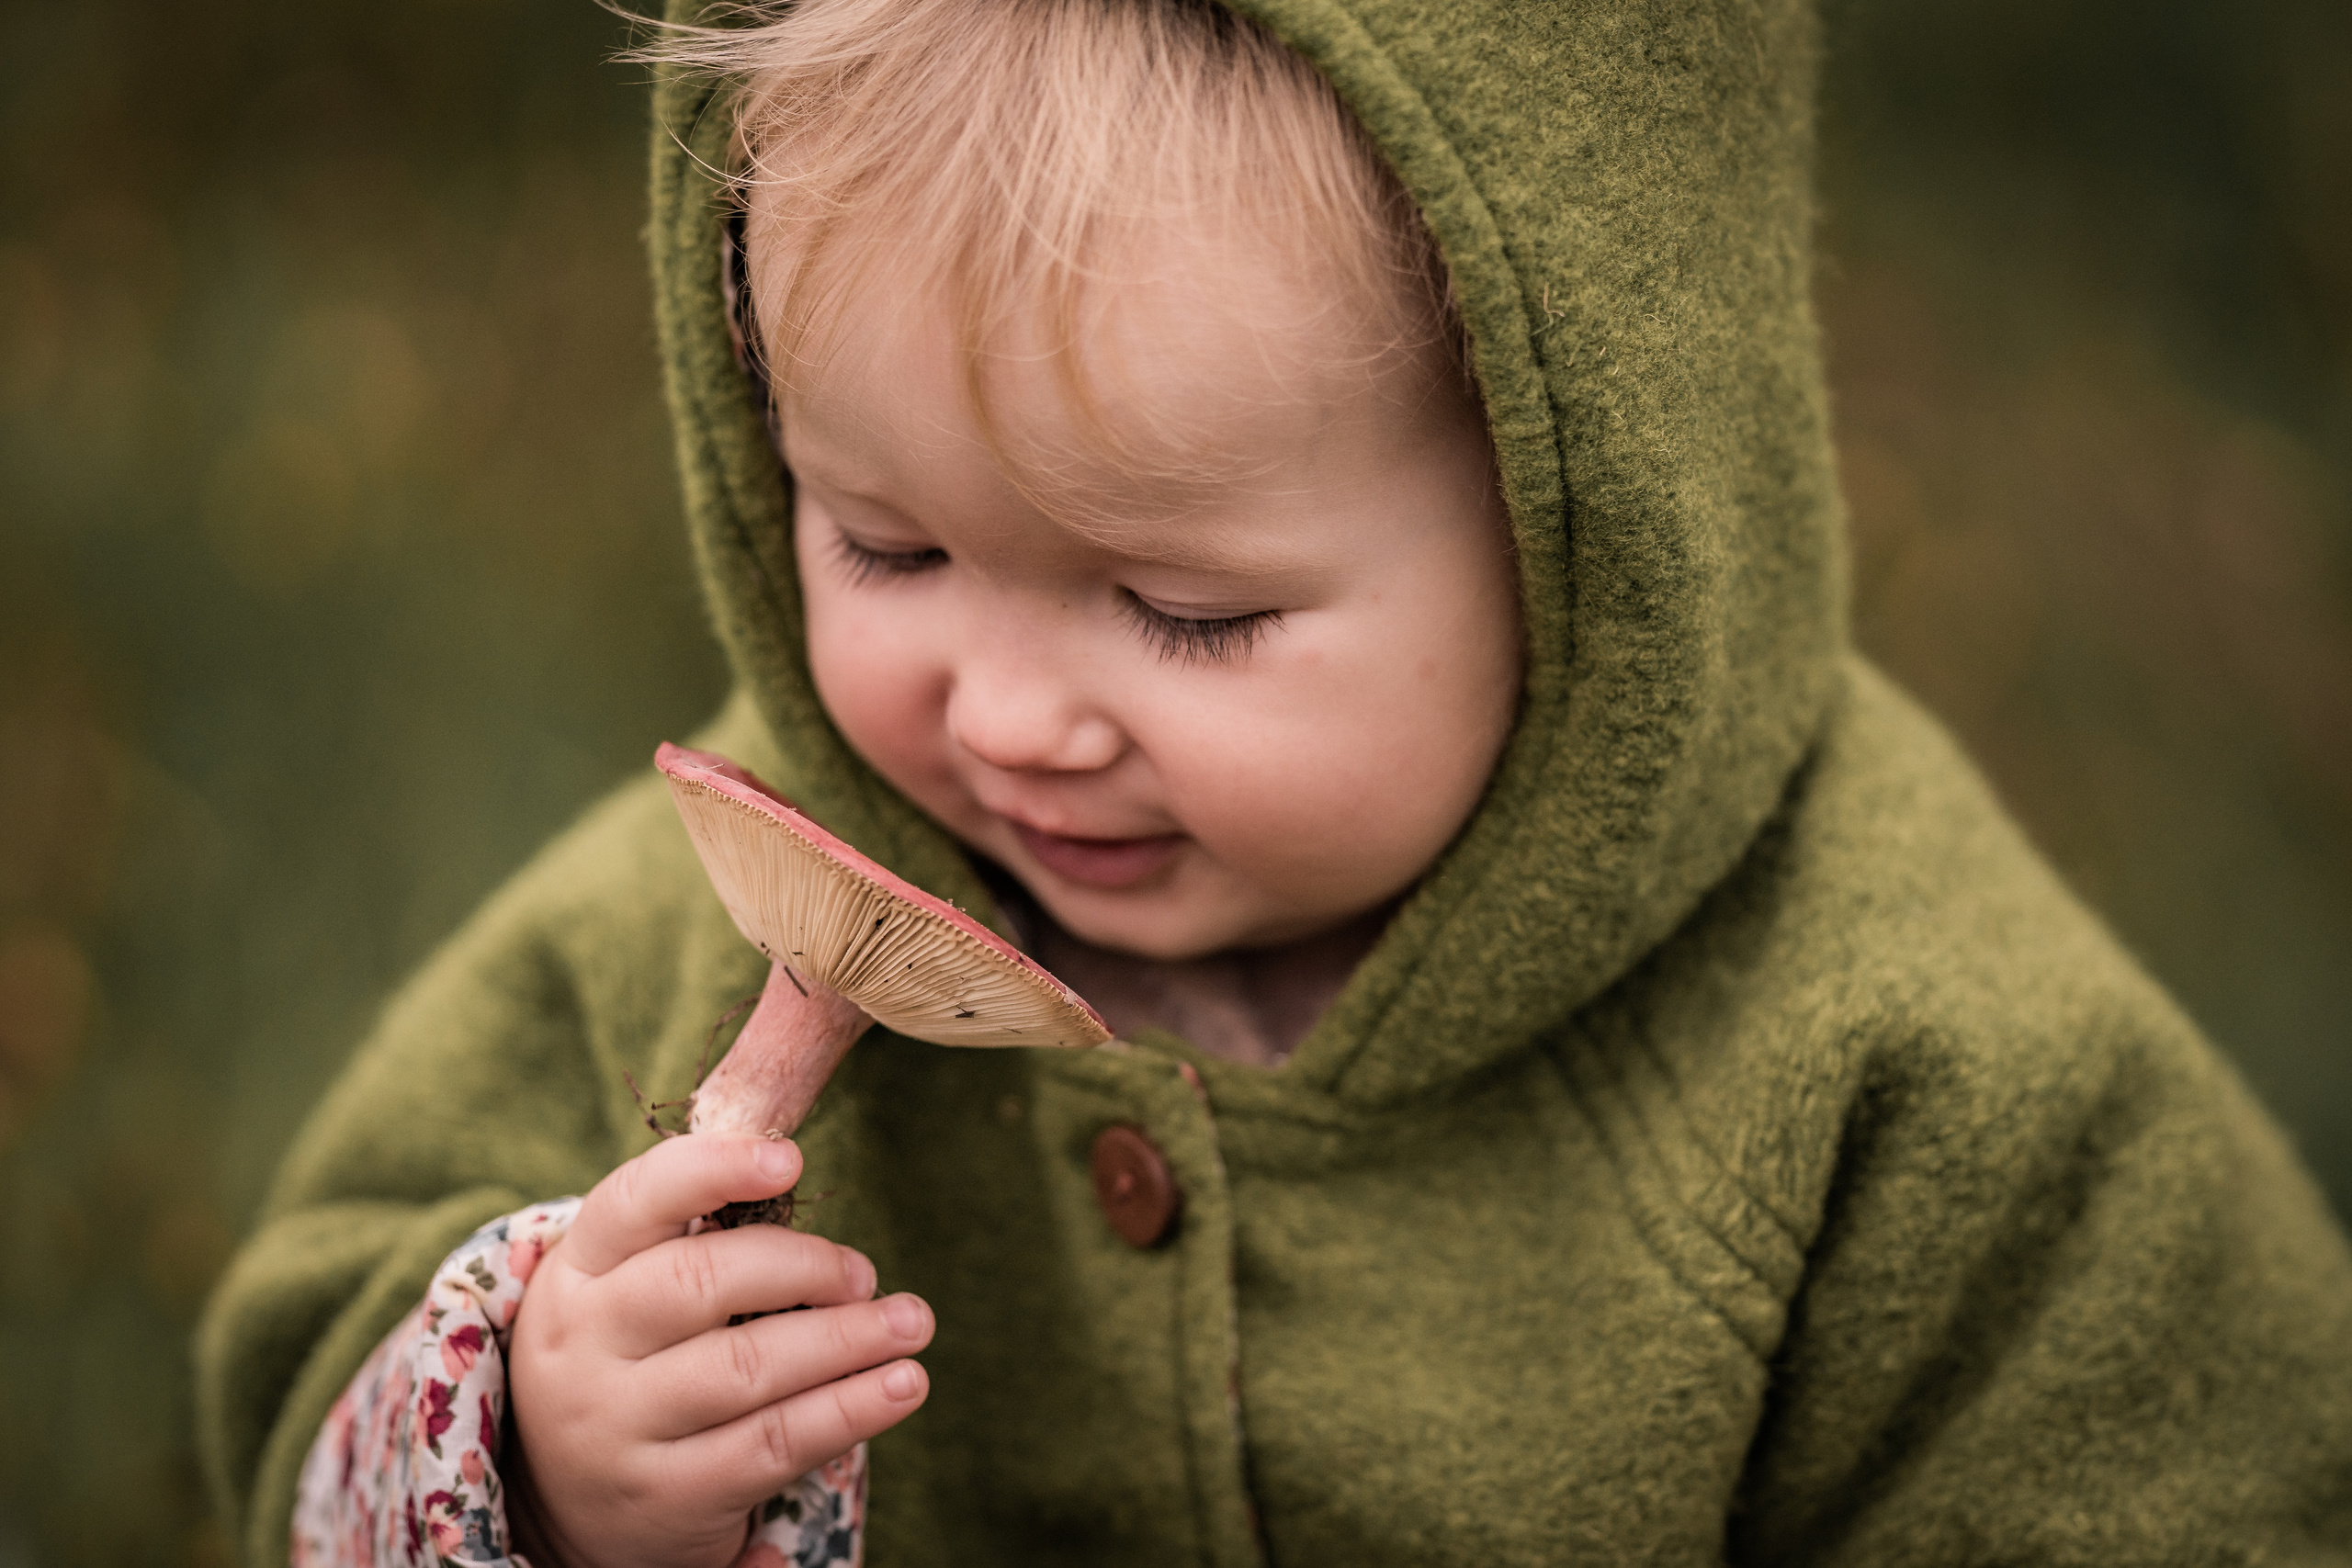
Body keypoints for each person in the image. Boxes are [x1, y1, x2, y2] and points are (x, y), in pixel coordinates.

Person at [196, 0, 2352, 1562]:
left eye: (1189, 609)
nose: (1009, 718)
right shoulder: (693, 924)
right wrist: (543, 1455)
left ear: (1593, 537)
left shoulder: (1929, 1073)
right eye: (887, 546)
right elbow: (299, 1404)